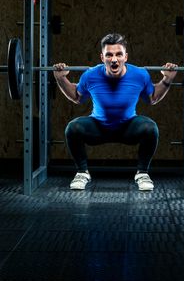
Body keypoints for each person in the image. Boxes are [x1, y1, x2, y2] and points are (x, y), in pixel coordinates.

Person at [53, 33, 177, 191]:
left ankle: (142, 173)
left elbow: (152, 98)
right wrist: (60, 79)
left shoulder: (140, 74)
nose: (114, 59)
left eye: (118, 54)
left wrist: (167, 79)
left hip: (128, 128)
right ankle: (82, 172)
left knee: (150, 128)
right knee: (73, 128)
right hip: (98, 127)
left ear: (126, 57)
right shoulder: (90, 75)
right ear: (102, 57)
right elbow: (77, 97)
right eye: (109, 55)